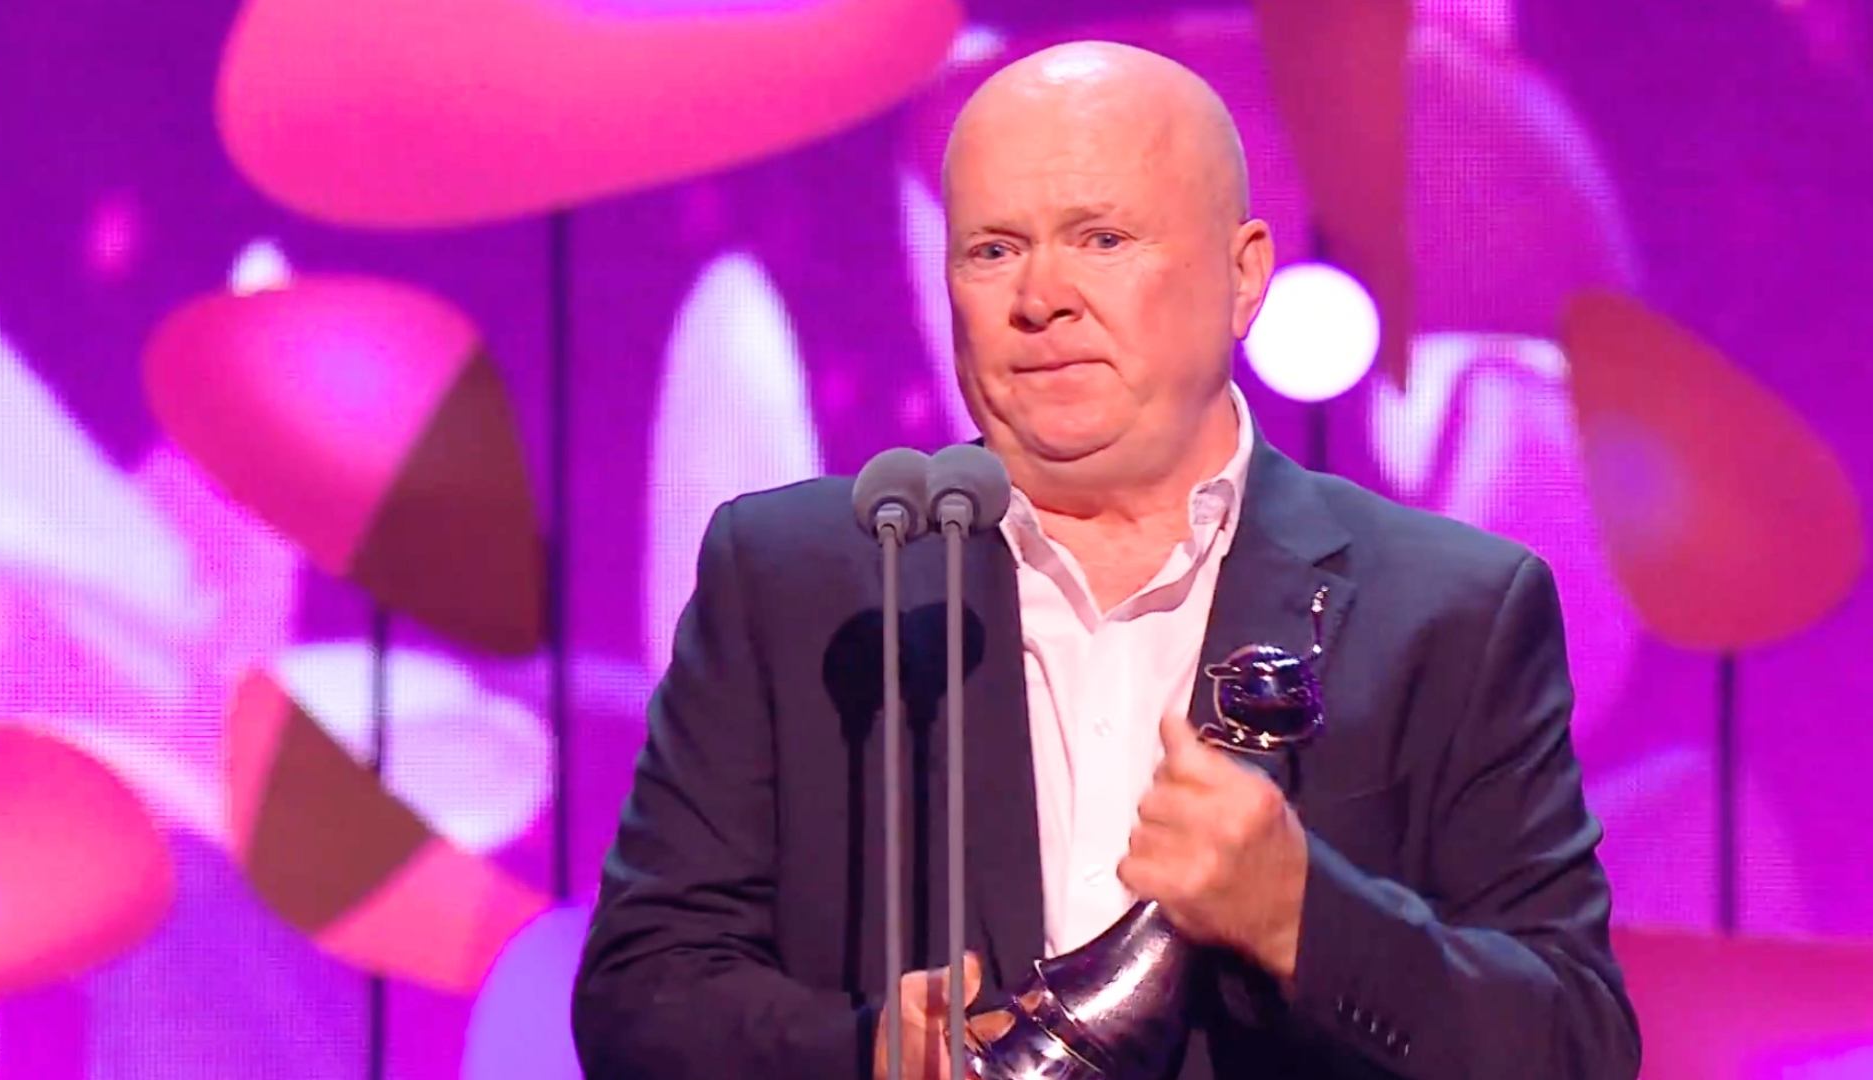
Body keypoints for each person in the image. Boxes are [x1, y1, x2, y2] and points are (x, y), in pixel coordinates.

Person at [572, 39, 1640, 1080]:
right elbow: (640, 996)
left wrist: (1300, 916)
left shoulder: (1449, 606)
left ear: (1241, 275)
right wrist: (863, 1050)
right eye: (991, 249)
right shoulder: (793, 582)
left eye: (1103, 240)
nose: (1040, 298)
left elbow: (1570, 1044)